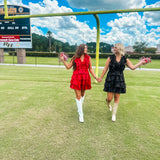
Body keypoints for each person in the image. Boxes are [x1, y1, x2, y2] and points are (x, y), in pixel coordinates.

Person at [97, 43, 149, 122]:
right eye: (114, 47)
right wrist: (101, 77)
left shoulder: (125, 59)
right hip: (110, 79)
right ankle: (108, 104)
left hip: (119, 80)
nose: (114, 49)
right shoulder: (110, 58)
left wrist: (141, 62)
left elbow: (133, 67)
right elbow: (105, 69)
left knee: (117, 98)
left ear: (119, 48)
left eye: (115, 47)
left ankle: (114, 115)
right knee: (109, 99)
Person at [60, 44, 98, 123]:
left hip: (85, 78)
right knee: (78, 96)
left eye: (87, 48)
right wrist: (63, 60)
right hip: (76, 78)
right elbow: (68, 67)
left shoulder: (88, 58)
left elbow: (90, 69)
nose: (86, 49)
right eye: (85, 48)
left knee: (82, 94)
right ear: (81, 49)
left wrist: (95, 77)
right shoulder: (75, 58)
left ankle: (79, 107)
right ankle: (81, 115)